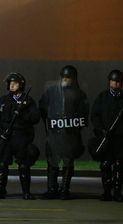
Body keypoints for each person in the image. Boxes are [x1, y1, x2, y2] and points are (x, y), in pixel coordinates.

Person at [39, 65, 89, 200]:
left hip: (69, 134)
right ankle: (52, 189)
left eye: (68, 77)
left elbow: (83, 114)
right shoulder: (52, 91)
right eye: (64, 77)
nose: (65, 80)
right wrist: (49, 125)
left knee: (67, 162)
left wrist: (74, 126)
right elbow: (43, 108)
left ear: (73, 79)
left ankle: (64, 189)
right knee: (53, 161)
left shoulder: (79, 94)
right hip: (55, 133)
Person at [89, 69, 123, 202]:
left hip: (120, 138)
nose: (115, 84)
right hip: (106, 137)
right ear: (109, 82)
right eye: (113, 81)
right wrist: (101, 130)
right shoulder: (102, 97)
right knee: (105, 164)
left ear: (122, 83)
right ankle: (106, 192)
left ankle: (117, 192)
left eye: (118, 82)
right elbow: (94, 115)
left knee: (118, 165)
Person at [0, 72, 40, 200]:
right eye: (10, 83)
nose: (11, 85)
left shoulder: (28, 101)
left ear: (21, 85)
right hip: (6, 137)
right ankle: (1, 190)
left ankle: (26, 192)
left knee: (24, 164)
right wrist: (0, 132)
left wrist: (23, 115)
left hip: (22, 137)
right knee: (2, 164)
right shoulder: (2, 100)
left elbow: (36, 117)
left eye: (15, 83)